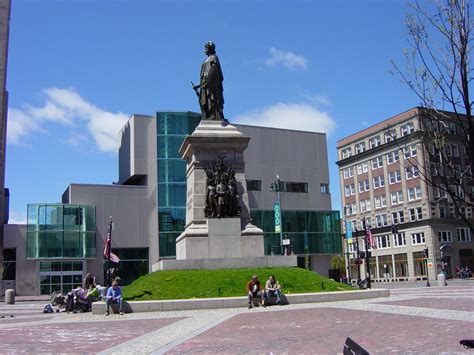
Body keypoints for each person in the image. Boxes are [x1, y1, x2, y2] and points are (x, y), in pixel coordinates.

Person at [193, 41, 225, 121]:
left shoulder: (214, 58)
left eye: (206, 48)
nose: (204, 50)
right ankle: (208, 115)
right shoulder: (205, 61)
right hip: (205, 85)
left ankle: (213, 115)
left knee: (212, 99)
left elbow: (214, 73)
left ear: (210, 49)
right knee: (204, 101)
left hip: (211, 86)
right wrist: (198, 86)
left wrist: (209, 83)